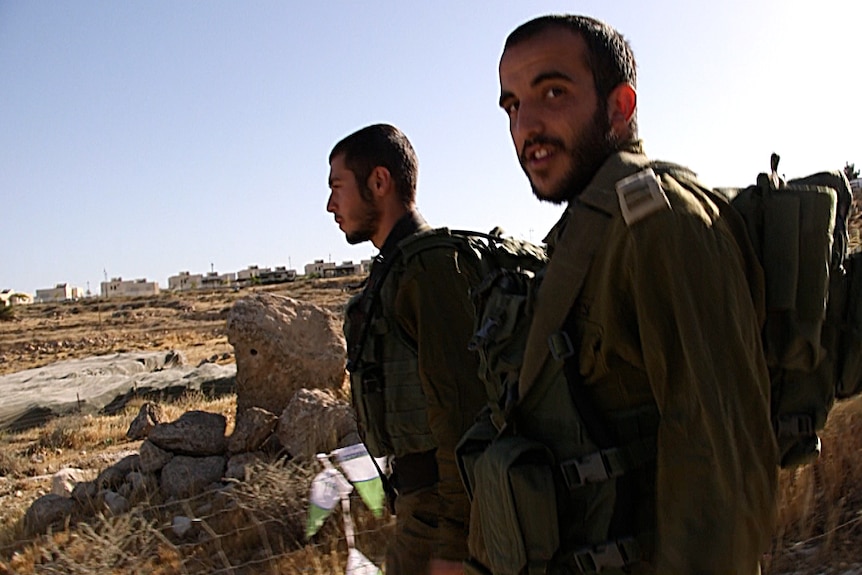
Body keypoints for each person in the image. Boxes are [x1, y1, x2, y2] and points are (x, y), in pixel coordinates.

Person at [464, 15, 779, 573]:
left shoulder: (663, 224)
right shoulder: (584, 233)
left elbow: (723, 471)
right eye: (512, 106)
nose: (526, 126)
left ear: (620, 105)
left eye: (552, 92)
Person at [326, 123, 485, 575]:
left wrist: (453, 543)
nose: (330, 205)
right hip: (422, 506)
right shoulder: (396, 270)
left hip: (441, 513)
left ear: (379, 182)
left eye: (338, 187)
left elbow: (462, 413)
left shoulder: (428, 270)